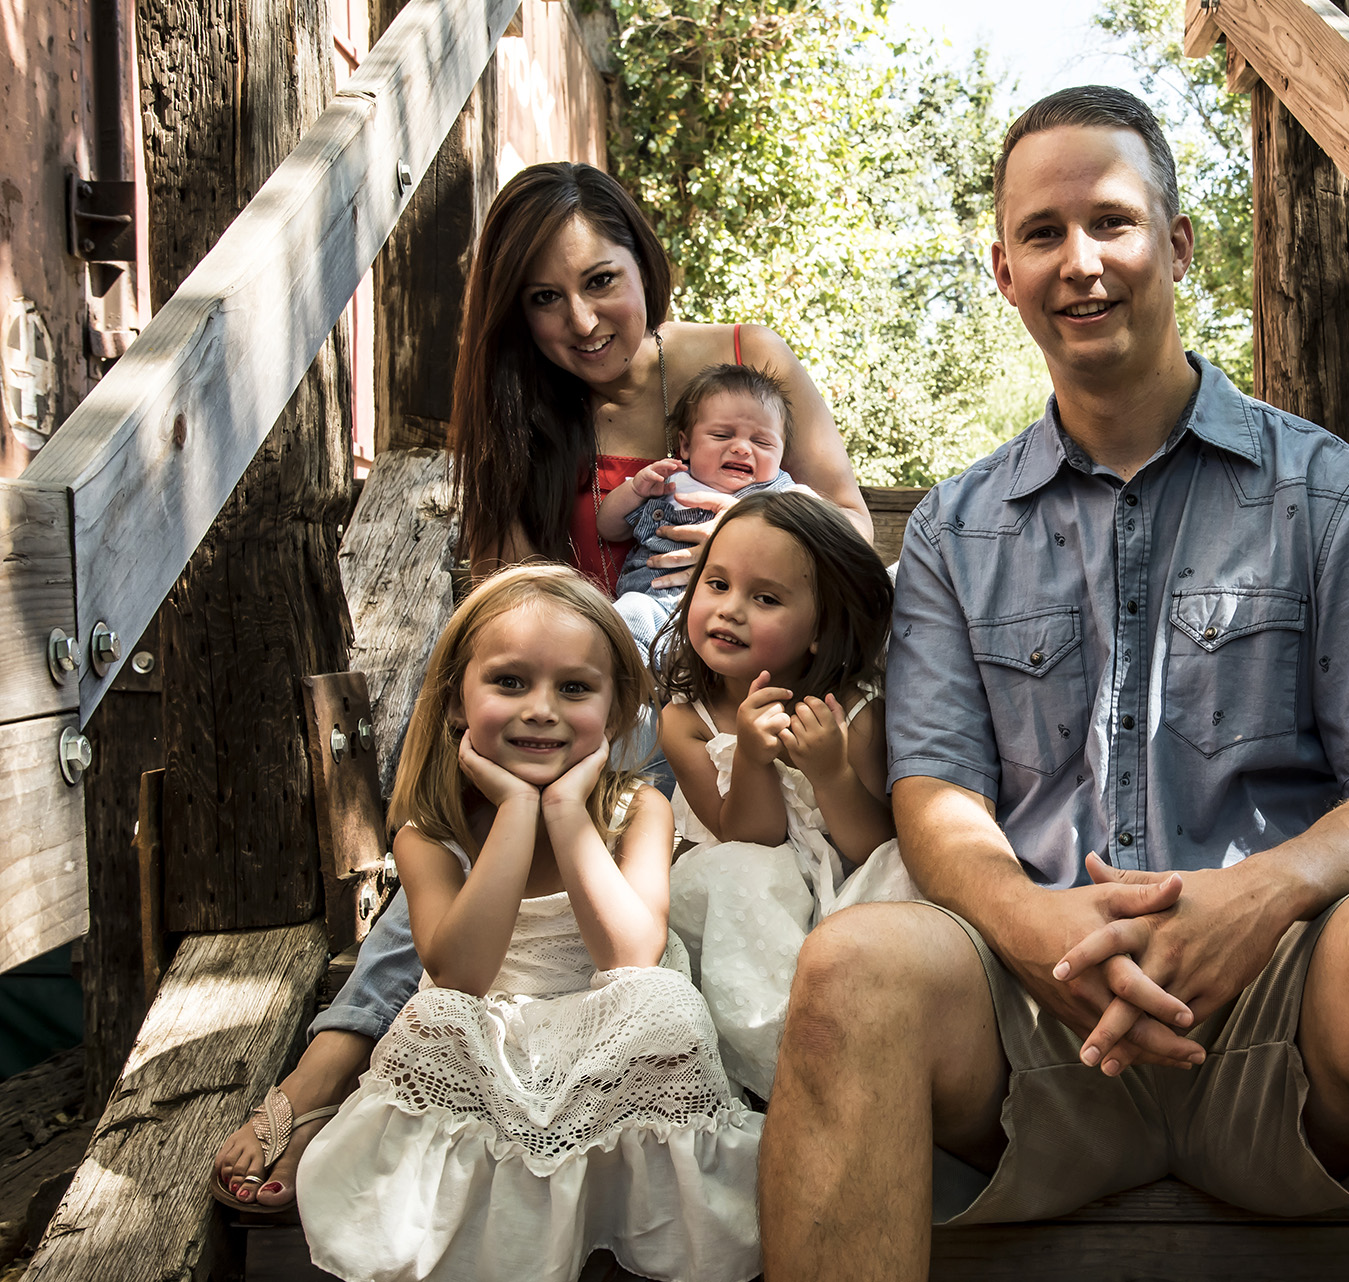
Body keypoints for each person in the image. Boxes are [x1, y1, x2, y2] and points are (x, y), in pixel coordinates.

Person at [759, 86, 1349, 1280]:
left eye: (1112, 222)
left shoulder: (1329, 495)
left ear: (1177, 245)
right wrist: (1033, 926)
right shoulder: (955, 532)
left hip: (1281, 1013)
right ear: (1003, 271)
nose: (1079, 261)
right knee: (850, 963)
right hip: (1039, 1018)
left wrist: (1257, 899)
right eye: (1043, 233)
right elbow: (933, 795)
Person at [210, 160, 871, 1215]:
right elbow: (508, 607)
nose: (583, 321)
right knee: (508, 764)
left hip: (720, 686)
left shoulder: (746, 363)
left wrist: (754, 534)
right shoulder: (523, 412)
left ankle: (343, 1056)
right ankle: (347, 1054)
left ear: (643, 261)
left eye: (601, 280)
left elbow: (851, 527)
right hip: (592, 693)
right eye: (545, 299)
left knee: (622, 734)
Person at [297, 565, 762, 1282]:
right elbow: (460, 973)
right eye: (510, 682)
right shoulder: (430, 835)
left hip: (613, 1042)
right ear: (456, 701)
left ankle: (625, 1211)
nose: (541, 709)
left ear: (615, 712)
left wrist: (567, 812)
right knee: (432, 1020)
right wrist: (516, 810)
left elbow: (631, 954)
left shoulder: (638, 809)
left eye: (574, 688)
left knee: (666, 1006)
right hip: (494, 1037)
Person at [655, 491, 920, 1099]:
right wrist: (751, 757)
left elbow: (873, 845)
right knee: (748, 872)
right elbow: (749, 836)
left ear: (820, 630)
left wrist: (832, 775)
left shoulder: (852, 713)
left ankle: (856, 1042)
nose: (730, 609)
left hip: (844, 888)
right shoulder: (686, 719)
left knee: (903, 874)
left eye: (766, 598)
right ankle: (782, 1064)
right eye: (717, 584)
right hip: (738, 899)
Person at [598, 363, 797, 625]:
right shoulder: (670, 481)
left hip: (734, 614)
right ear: (686, 445)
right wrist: (635, 490)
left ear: (781, 455)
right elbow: (609, 529)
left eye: (761, 442)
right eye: (722, 435)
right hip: (653, 603)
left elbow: (821, 533)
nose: (741, 448)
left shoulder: (783, 494)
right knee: (628, 614)